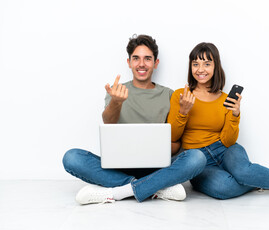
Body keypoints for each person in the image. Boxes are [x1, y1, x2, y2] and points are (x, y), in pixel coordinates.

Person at [167, 42, 269, 199]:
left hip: (225, 149)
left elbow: (228, 140)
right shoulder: (180, 95)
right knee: (224, 187)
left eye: (207, 64)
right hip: (198, 159)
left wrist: (235, 115)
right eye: (195, 64)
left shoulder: (225, 99)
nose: (200, 69)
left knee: (244, 172)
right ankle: (261, 181)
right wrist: (183, 111)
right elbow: (173, 136)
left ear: (216, 66)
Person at [63, 35, 207, 204]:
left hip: (158, 168)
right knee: (72, 157)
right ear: (129, 62)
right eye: (136, 58)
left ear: (156, 63)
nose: (141, 64)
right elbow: (108, 123)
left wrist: (152, 145)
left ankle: (118, 192)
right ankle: (154, 188)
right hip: (119, 167)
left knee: (197, 157)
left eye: (147, 59)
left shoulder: (169, 95)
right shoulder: (118, 92)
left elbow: (175, 145)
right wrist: (116, 102)